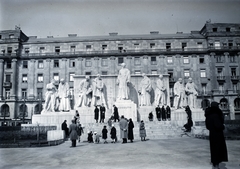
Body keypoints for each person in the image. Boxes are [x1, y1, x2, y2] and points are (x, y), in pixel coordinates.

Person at [205, 101, 228, 169]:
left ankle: (215, 164)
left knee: (213, 149)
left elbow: (207, 126)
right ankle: (217, 165)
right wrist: (223, 126)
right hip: (218, 134)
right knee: (218, 149)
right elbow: (218, 125)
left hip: (212, 134)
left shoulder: (208, 115)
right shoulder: (216, 115)